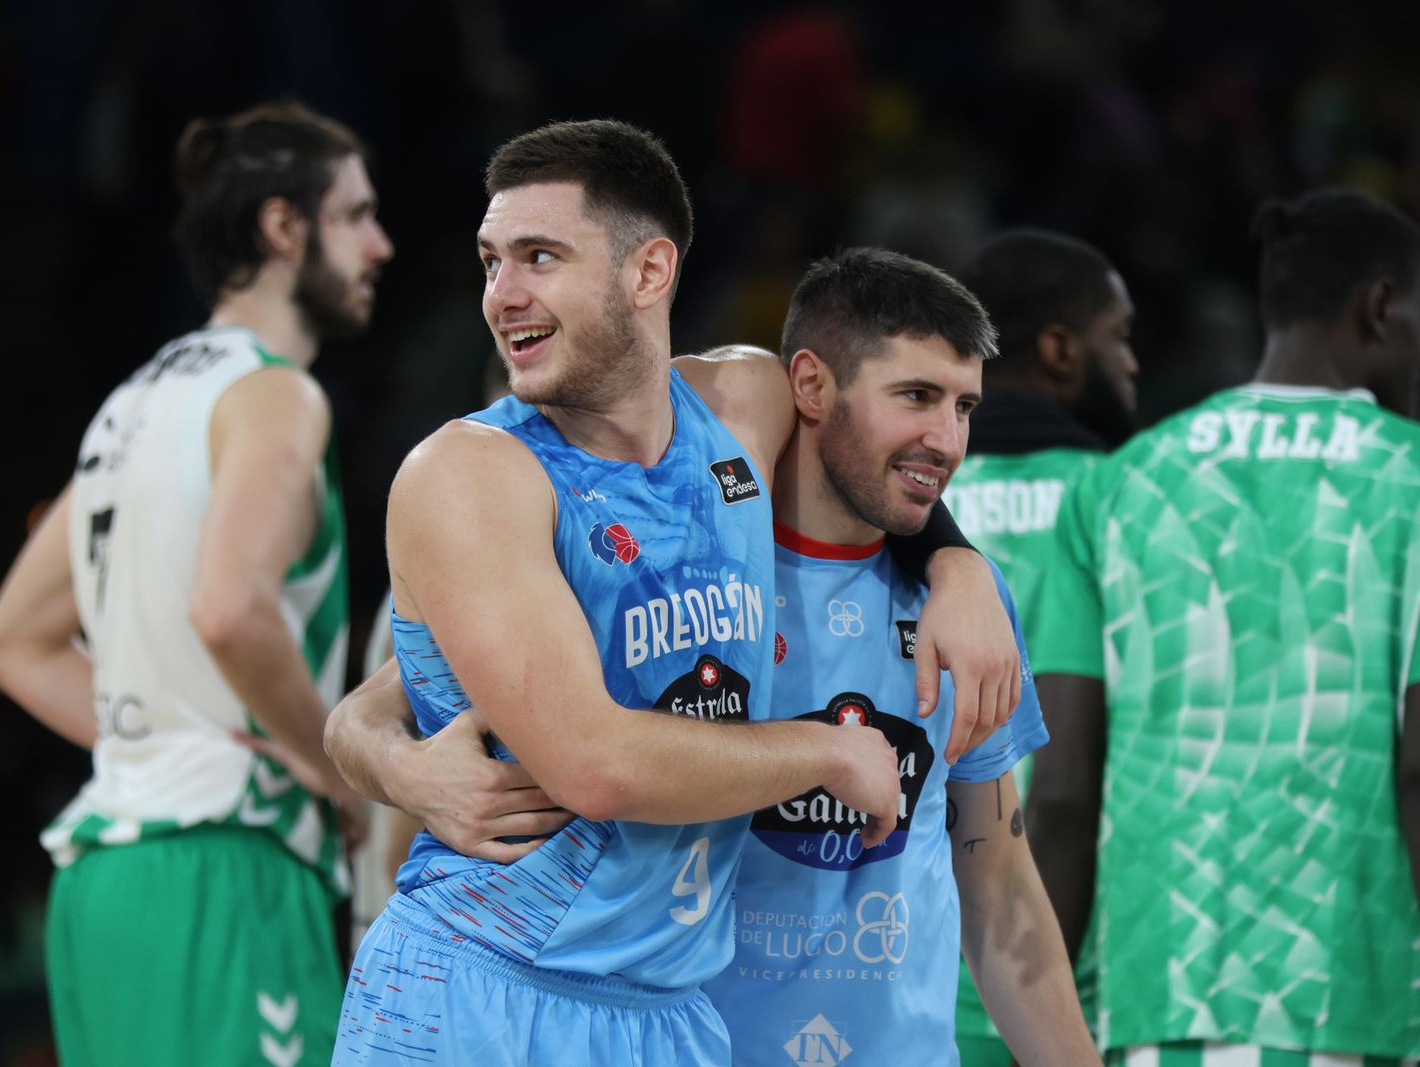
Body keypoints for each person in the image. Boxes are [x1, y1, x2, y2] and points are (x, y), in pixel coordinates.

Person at [322, 119, 1020, 1065]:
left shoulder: (746, 402)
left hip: (671, 1011)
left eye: (538, 257)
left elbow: (875, 466)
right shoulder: (470, 472)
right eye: (491, 261)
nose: (502, 295)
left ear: (649, 273)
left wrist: (958, 562)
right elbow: (594, 766)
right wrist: (825, 749)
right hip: (489, 990)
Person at [0, 100, 392, 1067]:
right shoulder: (279, 394)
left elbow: (10, 644)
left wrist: (175, 729)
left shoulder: (135, 399)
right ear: (284, 227)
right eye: (357, 215)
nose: (381, 244)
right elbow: (231, 607)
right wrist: (337, 769)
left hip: (102, 888)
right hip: (220, 869)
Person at [1027, 188, 1420, 1065]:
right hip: (1359, 1004)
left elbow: (1057, 790)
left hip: (1150, 1000)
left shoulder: (1118, 484)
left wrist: (1041, 1025)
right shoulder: (1413, 477)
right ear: (1382, 306)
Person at [693, 249, 1096, 1065]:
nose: (946, 440)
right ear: (809, 386)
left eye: (965, 406)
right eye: (915, 396)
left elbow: (1002, 889)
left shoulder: (970, 608)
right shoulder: (694, 575)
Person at [942, 228, 1139, 1066]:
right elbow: (1057, 788)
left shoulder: (906, 499)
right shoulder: (1118, 495)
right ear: (1061, 349)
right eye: (1119, 336)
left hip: (899, 977)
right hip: (1042, 987)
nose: (1132, 364)